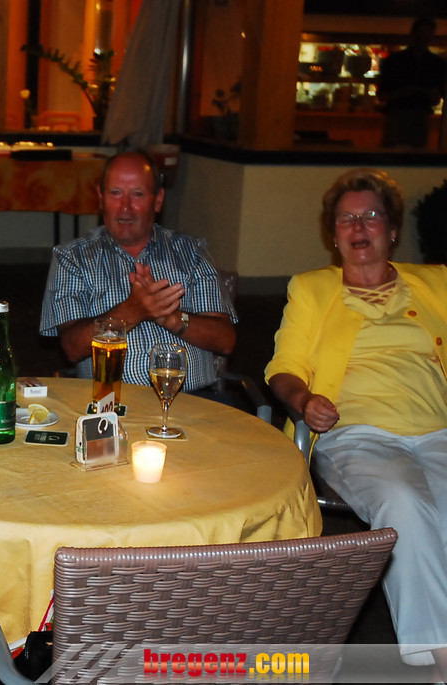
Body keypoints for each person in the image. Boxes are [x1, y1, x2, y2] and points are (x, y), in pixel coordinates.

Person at [266, 168, 447, 670]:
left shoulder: (437, 283)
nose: (359, 226)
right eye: (347, 219)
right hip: (357, 434)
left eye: (371, 215)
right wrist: (304, 400)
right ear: (334, 234)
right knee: (404, 502)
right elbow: (283, 369)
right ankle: (440, 656)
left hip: (438, 429)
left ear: (393, 229)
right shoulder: (312, 289)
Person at [40, 150, 236, 394]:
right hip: (110, 404)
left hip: (191, 401)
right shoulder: (72, 257)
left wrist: (171, 318)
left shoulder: (191, 252)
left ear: (158, 200)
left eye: (138, 194)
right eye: (115, 193)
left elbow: (225, 341)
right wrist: (132, 311)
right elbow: (72, 347)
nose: (125, 208)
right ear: (100, 198)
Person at [378, 17, 447, 148]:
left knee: (398, 153)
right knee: (408, 153)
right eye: (421, 37)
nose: (423, 41)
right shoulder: (436, 63)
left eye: (426, 37)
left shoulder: (395, 61)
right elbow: (382, 95)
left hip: (412, 116)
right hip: (406, 115)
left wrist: (407, 91)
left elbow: (382, 95)